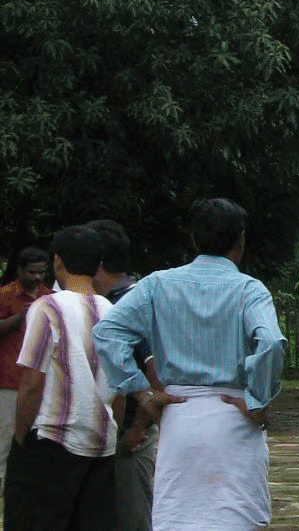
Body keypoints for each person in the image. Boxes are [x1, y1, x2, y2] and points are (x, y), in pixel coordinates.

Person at [94, 198, 288, 531]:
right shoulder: (249, 290)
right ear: (240, 239)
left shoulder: (158, 285)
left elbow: (108, 332)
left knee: (178, 516)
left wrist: (141, 393)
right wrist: (258, 398)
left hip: (178, 414)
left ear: (195, 238)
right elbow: (270, 342)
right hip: (233, 414)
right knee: (235, 514)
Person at [4, 226, 120, 530]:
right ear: (98, 266)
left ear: (57, 262)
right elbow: (120, 385)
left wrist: (19, 439)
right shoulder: (111, 311)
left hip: (54, 440)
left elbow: (31, 383)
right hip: (101, 443)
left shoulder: (48, 307)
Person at [88, 219, 161, 531]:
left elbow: (156, 369)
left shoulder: (128, 304)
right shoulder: (120, 299)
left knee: (133, 519)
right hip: (115, 434)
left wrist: (138, 426)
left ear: (97, 262)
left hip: (133, 436)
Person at [0, 246, 52, 487]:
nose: (37, 277)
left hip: (41, 382)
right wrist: (24, 315)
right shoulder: (5, 294)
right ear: (20, 270)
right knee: (5, 438)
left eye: (41, 272)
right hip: (9, 381)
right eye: (32, 272)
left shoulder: (49, 296)